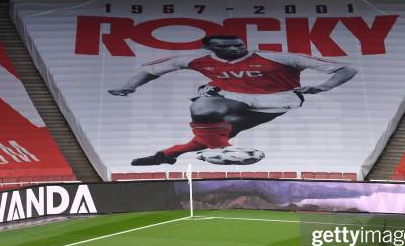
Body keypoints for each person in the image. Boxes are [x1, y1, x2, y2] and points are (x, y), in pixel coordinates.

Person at [108, 35, 357, 165]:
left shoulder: (281, 58)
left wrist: (324, 87)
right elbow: (150, 70)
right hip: (233, 100)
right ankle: (173, 154)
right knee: (202, 107)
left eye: (239, 45)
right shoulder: (197, 59)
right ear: (211, 50)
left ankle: (178, 153)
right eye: (227, 47)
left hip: (276, 101)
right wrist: (129, 86)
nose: (237, 49)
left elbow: (346, 69)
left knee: (208, 130)